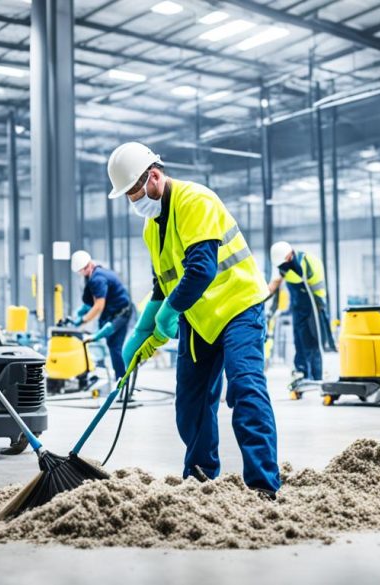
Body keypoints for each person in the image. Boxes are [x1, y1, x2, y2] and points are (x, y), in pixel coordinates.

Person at [108, 141, 280, 499]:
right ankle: (200, 479)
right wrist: (145, 332)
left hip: (237, 308)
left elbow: (201, 269)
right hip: (199, 319)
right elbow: (163, 284)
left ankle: (263, 486)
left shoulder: (195, 201)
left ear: (154, 177)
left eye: (133, 192)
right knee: (190, 401)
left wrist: (170, 311)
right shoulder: (151, 227)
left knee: (245, 390)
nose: (132, 202)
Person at [267, 242, 334, 382]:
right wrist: (259, 299)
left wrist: (320, 306)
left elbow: (317, 287)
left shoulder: (308, 262)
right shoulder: (281, 266)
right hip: (298, 305)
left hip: (315, 304)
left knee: (315, 340)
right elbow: (274, 285)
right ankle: (302, 372)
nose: (282, 268)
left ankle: (318, 375)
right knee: (299, 338)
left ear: (290, 255)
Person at [69, 250, 134, 379]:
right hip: (117, 311)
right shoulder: (96, 273)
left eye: (79, 272)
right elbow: (92, 301)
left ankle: (122, 382)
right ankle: (121, 380)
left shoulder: (97, 279)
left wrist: (83, 320)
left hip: (121, 313)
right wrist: (82, 310)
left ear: (84, 268)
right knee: (113, 346)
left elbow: (98, 306)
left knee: (115, 347)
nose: (79, 275)